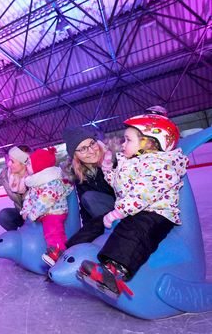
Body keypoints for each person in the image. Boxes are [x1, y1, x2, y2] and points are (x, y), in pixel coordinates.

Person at [68, 112, 188, 297]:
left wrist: (117, 213)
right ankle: (69, 250)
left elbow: (141, 196)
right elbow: (119, 184)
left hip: (156, 213)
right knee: (99, 223)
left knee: (133, 231)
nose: (122, 144)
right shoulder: (131, 162)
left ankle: (113, 272)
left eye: (127, 140)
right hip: (132, 210)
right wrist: (108, 170)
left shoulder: (161, 165)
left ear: (148, 143)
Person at [20, 147, 73, 266]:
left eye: (29, 164)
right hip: (43, 212)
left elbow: (45, 201)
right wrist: (25, 210)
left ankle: (58, 252)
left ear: (39, 166)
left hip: (55, 212)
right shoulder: (36, 182)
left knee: (53, 231)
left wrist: (32, 214)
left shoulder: (51, 183)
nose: (26, 166)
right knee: (42, 230)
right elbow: (30, 198)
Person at [61, 127, 116, 225]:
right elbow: (86, 211)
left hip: (125, 211)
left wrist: (106, 167)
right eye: (83, 149)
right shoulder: (78, 177)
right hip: (103, 220)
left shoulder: (114, 161)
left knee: (90, 197)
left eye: (92, 143)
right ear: (75, 156)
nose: (91, 151)